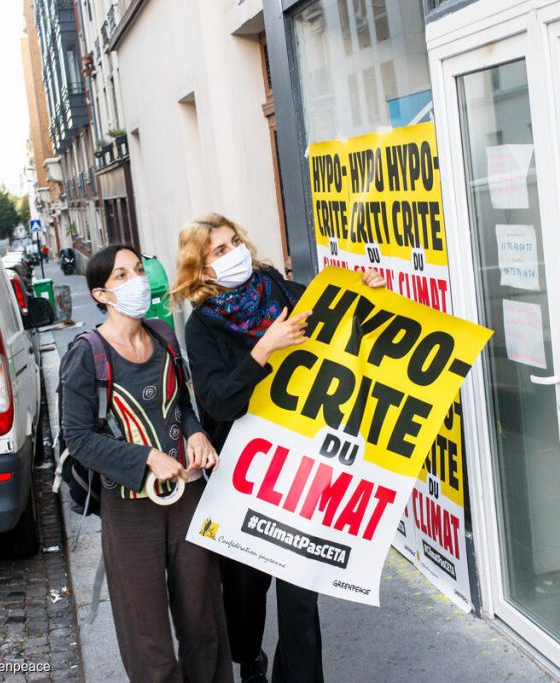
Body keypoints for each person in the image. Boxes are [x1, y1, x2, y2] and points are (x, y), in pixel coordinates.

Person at [170, 214, 384, 683]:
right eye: (220, 251)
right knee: (245, 595)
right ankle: (249, 658)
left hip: (300, 471)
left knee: (300, 597)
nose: (235, 253)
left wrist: (366, 290)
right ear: (203, 271)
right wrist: (263, 349)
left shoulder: (280, 291)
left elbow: (339, 317)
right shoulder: (203, 327)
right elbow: (217, 402)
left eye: (234, 242)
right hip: (243, 477)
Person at [60, 243, 232, 683]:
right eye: (121, 276)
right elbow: (78, 438)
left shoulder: (163, 336)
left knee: (204, 624)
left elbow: (184, 406)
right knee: (148, 640)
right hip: (130, 509)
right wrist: (146, 458)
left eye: (137, 270)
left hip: (188, 498)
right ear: (101, 294)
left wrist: (195, 432)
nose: (136, 280)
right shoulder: (87, 353)